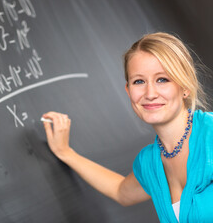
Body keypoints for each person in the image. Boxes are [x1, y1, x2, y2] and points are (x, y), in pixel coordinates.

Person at [42, 32, 213, 222]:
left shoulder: (210, 135)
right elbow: (121, 191)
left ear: (185, 86)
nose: (150, 93)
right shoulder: (150, 162)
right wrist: (65, 152)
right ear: (128, 90)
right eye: (139, 81)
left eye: (162, 79)